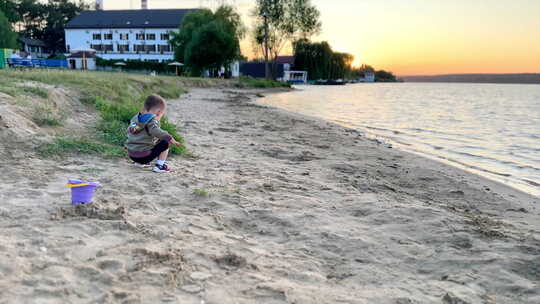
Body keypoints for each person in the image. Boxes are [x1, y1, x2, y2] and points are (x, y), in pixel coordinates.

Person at [125, 95, 182, 173]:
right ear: (159, 112)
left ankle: (138, 163)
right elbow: (155, 131)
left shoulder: (135, 118)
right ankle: (160, 166)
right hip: (143, 157)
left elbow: (130, 131)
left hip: (132, 154)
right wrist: (170, 137)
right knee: (166, 142)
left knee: (152, 139)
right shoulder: (152, 120)